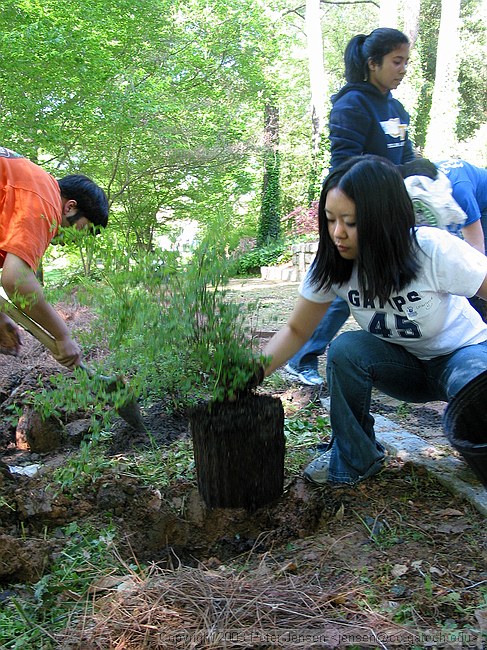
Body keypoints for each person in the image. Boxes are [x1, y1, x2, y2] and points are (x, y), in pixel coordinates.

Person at [261, 155, 487, 486]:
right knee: (345, 350)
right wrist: (248, 375)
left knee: (477, 379)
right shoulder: (332, 266)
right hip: (404, 368)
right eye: (330, 219)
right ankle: (355, 459)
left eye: (350, 222)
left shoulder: (430, 250)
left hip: (463, 360)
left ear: (384, 218)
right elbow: (296, 330)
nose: (338, 233)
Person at [286, 27, 415, 386]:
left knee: (372, 284)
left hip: (387, 217)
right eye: (396, 61)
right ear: (373, 64)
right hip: (354, 215)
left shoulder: (397, 108)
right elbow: (344, 165)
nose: (403, 69)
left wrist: (417, 174)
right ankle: (301, 357)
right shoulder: (351, 105)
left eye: (406, 62)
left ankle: (405, 355)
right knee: (342, 284)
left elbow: (405, 158)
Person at [0, 146, 109, 367]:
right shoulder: (45, 200)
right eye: (82, 229)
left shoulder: (25, 189)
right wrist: (63, 336)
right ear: (70, 207)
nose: (75, 239)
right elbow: (16, 281)